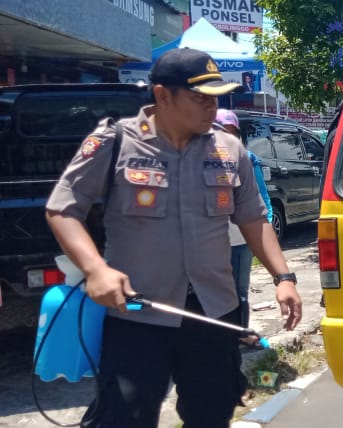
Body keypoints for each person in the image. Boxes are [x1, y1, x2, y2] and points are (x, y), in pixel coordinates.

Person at [45, 48, 303, 427]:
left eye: (216, 98)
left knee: (212, 412)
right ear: (163, 95)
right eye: (200, 98)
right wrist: (95, 269)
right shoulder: (116, 142)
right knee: (125, 415)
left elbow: (252, 217)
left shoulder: (229, 149)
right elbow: (62, 208)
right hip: (139, 313)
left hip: (214, 310)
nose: (211, 107)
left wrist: (284, 278)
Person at [215, 108, 275, 337]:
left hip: (242, 238)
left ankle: (240, 334)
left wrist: (266, 234)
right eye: (222, 131)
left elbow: (262, 198)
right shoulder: (197, 159)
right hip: (213, 240)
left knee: (239, 290)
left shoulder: (247, 159)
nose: (228, 137)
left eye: (232, 132)